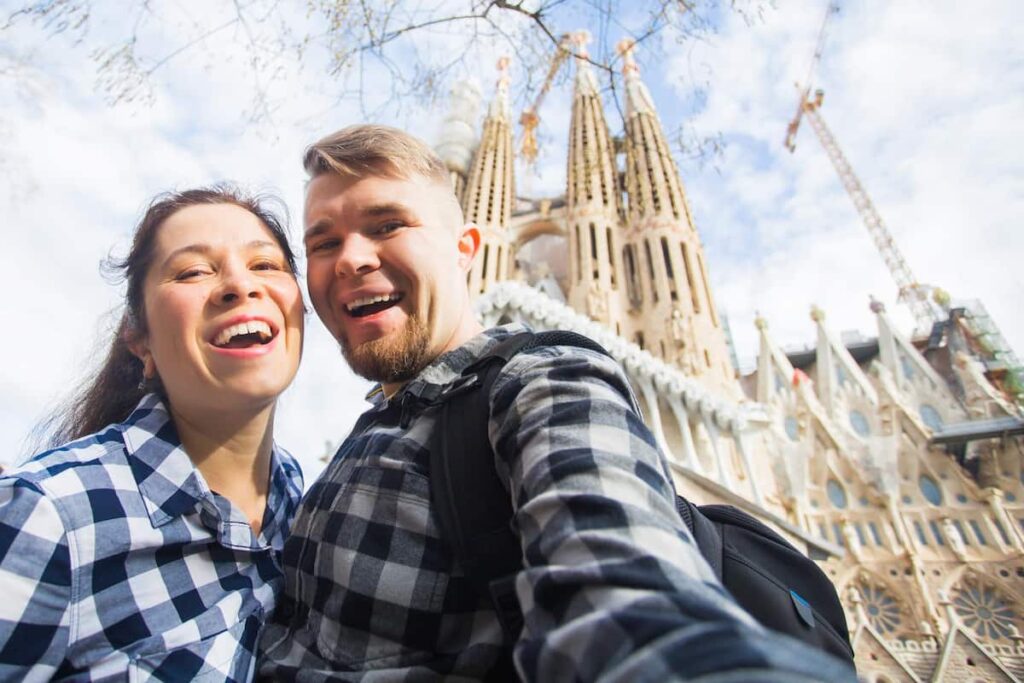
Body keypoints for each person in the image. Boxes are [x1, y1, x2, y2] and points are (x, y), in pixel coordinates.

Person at [258, 125, 856, 681]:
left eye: (388, 225)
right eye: (324, 241)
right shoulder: (360, 441)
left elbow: (622, 581)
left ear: (469, 248)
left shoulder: (539, 381)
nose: (352, 258)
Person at [0, 187, 305, 681]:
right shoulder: (47, 516)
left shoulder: (303, 505)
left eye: (266, 265)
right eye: (192, 271)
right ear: (139, 341)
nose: (239, 285)